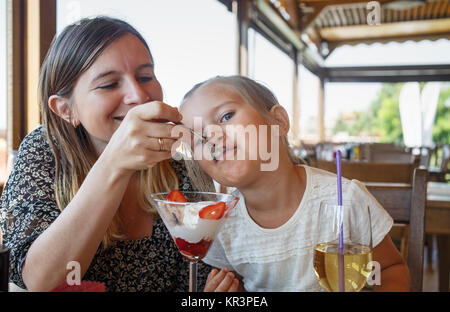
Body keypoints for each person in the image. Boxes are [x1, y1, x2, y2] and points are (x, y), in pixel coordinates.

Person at [0, 16, 236, 292]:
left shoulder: (178, 155)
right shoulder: (44, 151)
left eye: (146, 76)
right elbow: (41, 281)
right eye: (109, 84)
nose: (137, 94)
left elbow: (206, 267)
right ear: (66, 109)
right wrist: (114, 162)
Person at [180, 75, 411, 292]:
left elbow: (390, 269)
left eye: (226, 116)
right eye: (197, 138)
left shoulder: (345, 198)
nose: (210, 137)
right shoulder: (221, 225)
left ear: (278, 121)